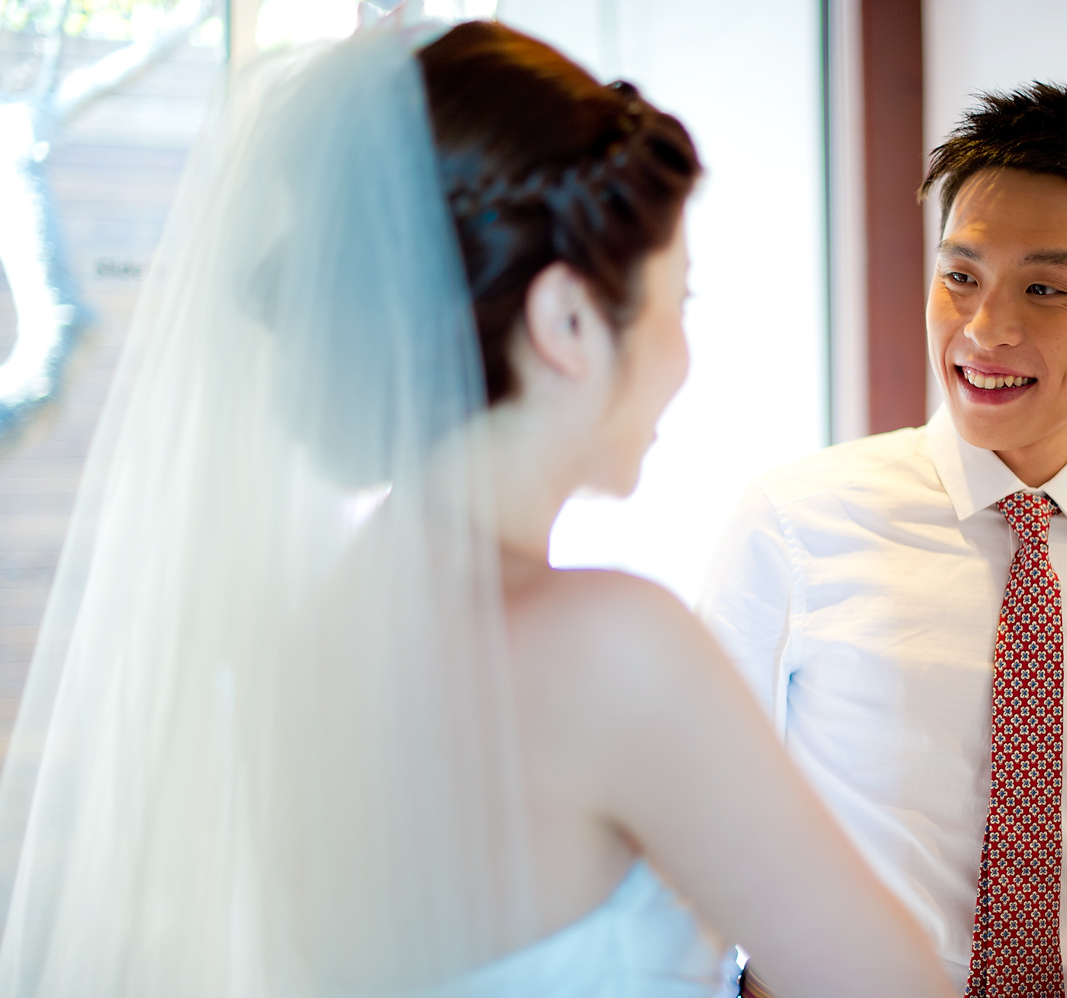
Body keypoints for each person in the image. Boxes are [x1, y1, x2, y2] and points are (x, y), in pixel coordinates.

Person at [0, 16, 956, 998]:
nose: (683, 354)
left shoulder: (299, 647)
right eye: (679, 301)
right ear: (567, 319)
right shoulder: (612, 647)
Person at [701, 82, 1067, 998]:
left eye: (1045, 289)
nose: (986, 329)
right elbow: (693, 819)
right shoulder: (793, 524)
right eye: (961, 276)